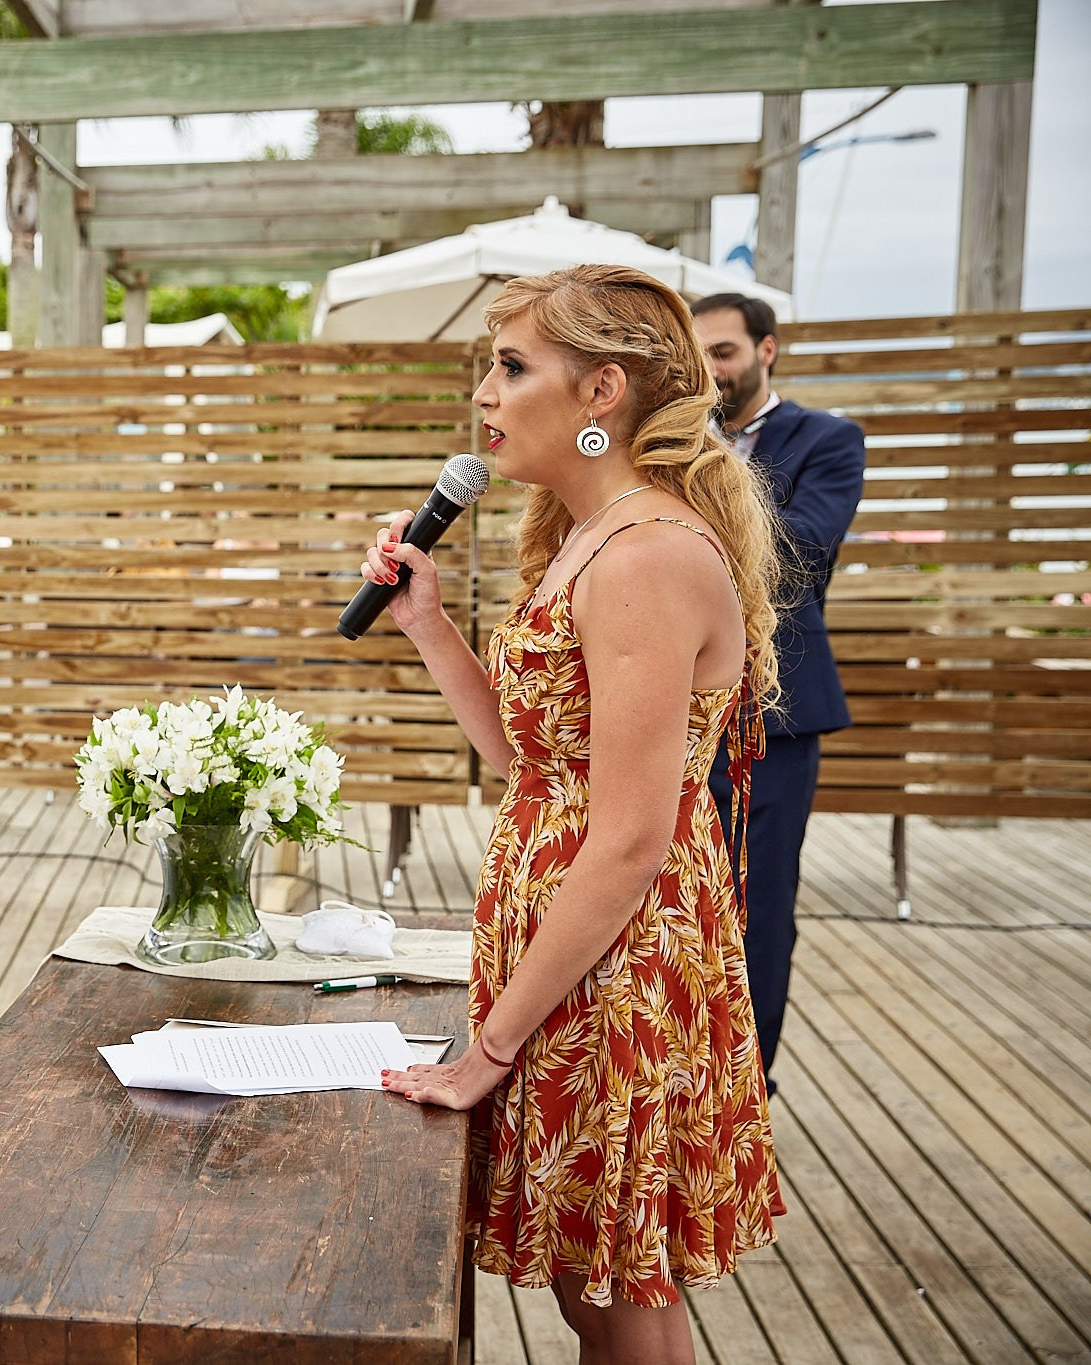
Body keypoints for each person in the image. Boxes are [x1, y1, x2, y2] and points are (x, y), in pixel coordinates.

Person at [368, 266, 784, 1361]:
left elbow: (632, 834)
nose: (484, 399)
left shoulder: (644, 554)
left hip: (618, 957)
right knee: (585, 1283)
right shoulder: (584, 540)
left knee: (613, 1294)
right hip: (566, 947)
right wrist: (425, 622)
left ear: (600, 391)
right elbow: (527, 761)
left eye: (510, 369)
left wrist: (488, 1049)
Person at [692, 292, 866, 1095]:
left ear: (768, 351)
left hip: (780, 715)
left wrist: (706, 466)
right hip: (680, 704)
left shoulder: (828, 440)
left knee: (758, 903)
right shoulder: (676, 440)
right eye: (698, 356)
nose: (710, 370)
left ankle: (744, 1089)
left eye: (723, 352)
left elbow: (799, 550)